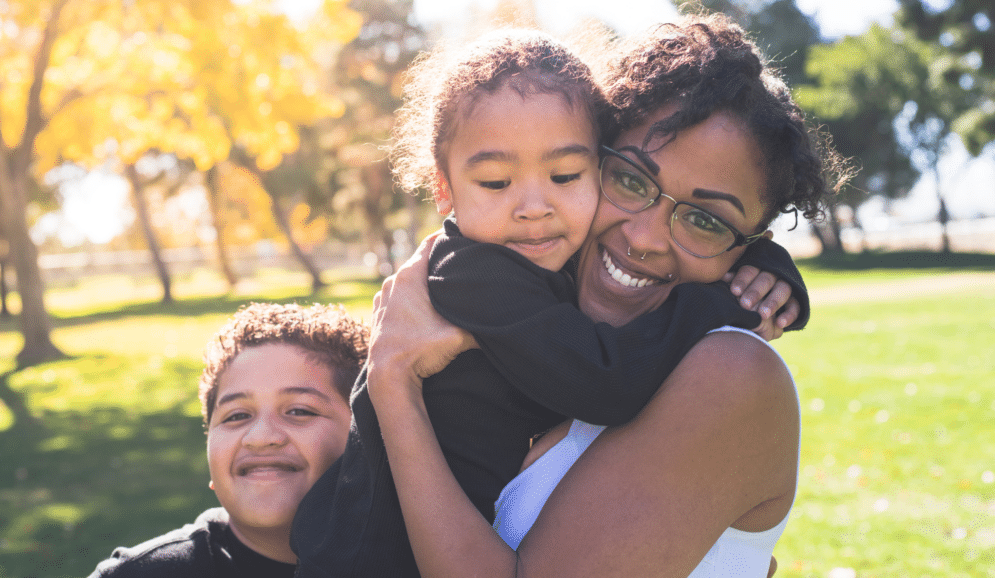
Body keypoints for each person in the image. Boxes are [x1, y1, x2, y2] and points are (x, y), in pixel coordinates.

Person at [291, 28, 809, 577]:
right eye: (631, 181)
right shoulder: (481, 276)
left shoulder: (730, 372)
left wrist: (763, 268)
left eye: (708, 222)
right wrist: (724, 297)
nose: (646, 239)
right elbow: (604, 379)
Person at [88, 303, 367, 577]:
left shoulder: (406, 556)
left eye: (299, 411)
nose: (260, 438)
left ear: (364, 437)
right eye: (236, 416)